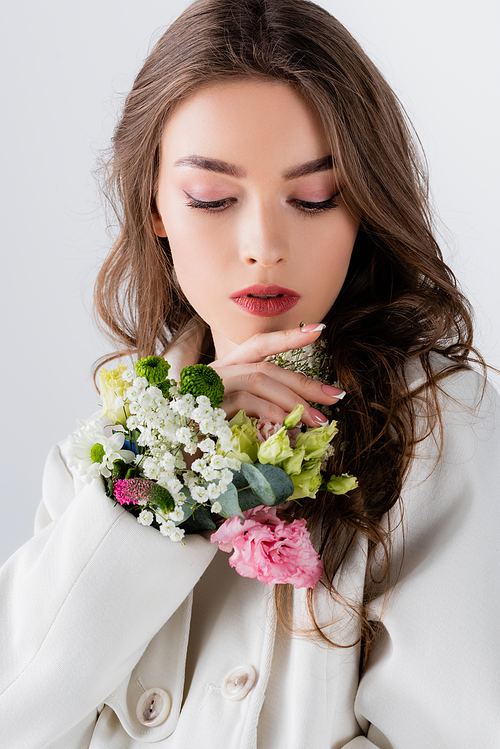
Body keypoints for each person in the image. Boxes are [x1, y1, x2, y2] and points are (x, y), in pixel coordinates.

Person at [1, 0, 499, 747]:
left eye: (313, 197)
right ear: (157, 207)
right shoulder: (107, 452)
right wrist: (170, 468)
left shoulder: (443, 426)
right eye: (213, 198)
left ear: (363, 203)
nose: (264, 243)